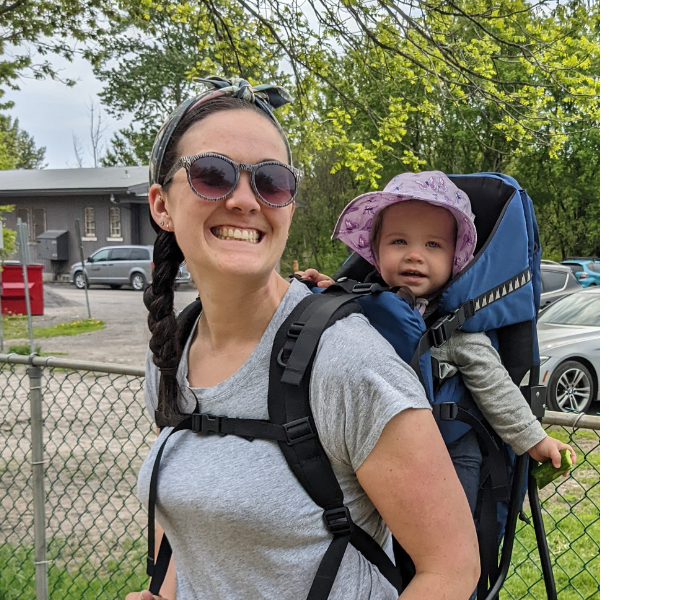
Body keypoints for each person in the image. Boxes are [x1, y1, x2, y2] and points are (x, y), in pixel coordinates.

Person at [125, 80, 479, 600]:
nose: (245, 201)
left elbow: (450, 570)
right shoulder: (170, 352)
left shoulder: (346, 361)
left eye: (270, 181)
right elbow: (188, 512)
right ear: (161, 205)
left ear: (288, 205)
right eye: (211, 175)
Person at [298, 170, 577, 513]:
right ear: (375, 251)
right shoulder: (361, 305)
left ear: (455, 260)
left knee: (451, 526)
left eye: (433, 245)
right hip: (368, 446)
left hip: (448, 452)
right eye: (399, 242)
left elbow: (495, 385)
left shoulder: (455, 329)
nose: (415, 255)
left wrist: (534, 439)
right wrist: (330, 288)